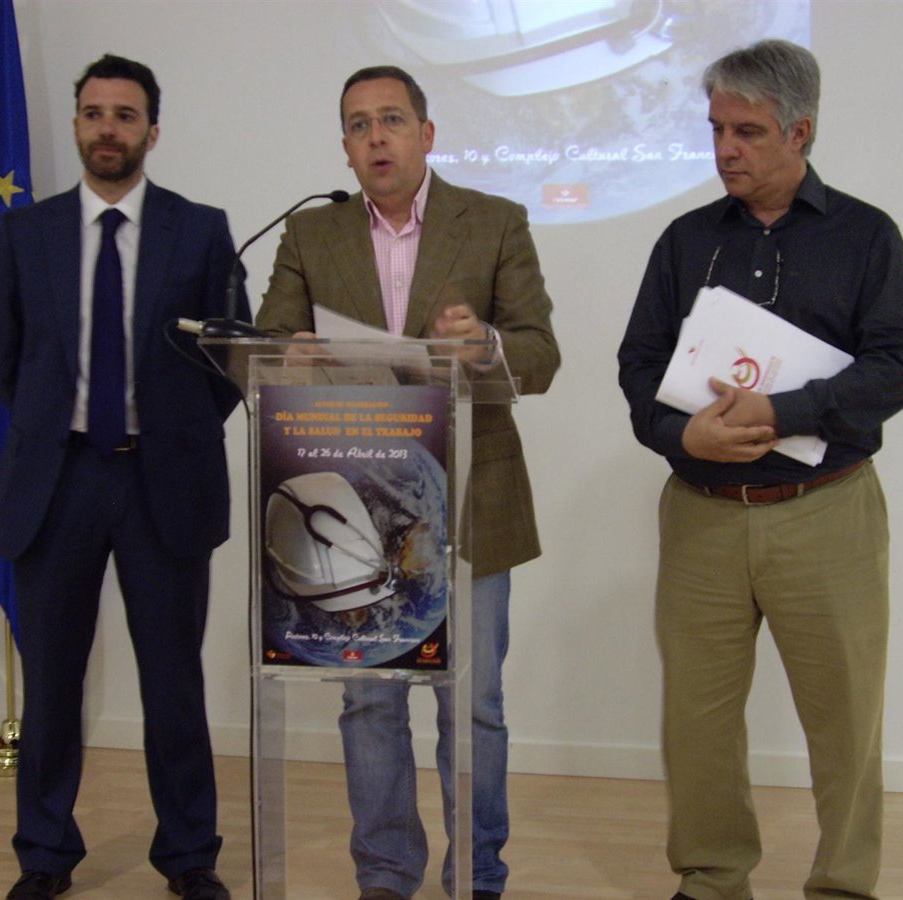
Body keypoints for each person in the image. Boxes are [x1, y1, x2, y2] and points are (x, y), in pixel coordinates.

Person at [617, 39, 903, 900]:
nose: (726, 149)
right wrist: (684, 436)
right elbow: (639, 368)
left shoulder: (866, 236)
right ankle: (712, 879)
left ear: (801, 132)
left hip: (825, 510)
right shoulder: (685, 240)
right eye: (717, 129)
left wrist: (782, 413)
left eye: (747, 132)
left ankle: (843, 884)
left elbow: (898, 367)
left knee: (845, 718)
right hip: (702, 510)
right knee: (698, 720)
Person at [254, 65, 559, 900]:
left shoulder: (494, 222)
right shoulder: (311, 235)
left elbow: (540, 355)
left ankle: (478, 875)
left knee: (475, 703)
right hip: (349, 500)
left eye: (391, 120)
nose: (376, 137)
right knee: (369, 700)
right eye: (359, 125)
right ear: (345, 147)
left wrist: (485, 344)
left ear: (426, 134)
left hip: (470, 496)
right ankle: (386, 874)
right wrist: (288, 353)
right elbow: (271, 340)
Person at [0, 54, 246, 900]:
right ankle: (45, 855)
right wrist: (60, 430)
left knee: (173, 682)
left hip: (160, 484)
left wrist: (170, 433)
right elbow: (3, 358)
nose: (108, 128)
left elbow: (229, 362)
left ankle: (190, 855)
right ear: (76, 126)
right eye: (94, 113)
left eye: (125, 115)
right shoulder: (27, 233)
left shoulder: (199, 230)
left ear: (152, 132)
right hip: (56, 483)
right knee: (52, 684)